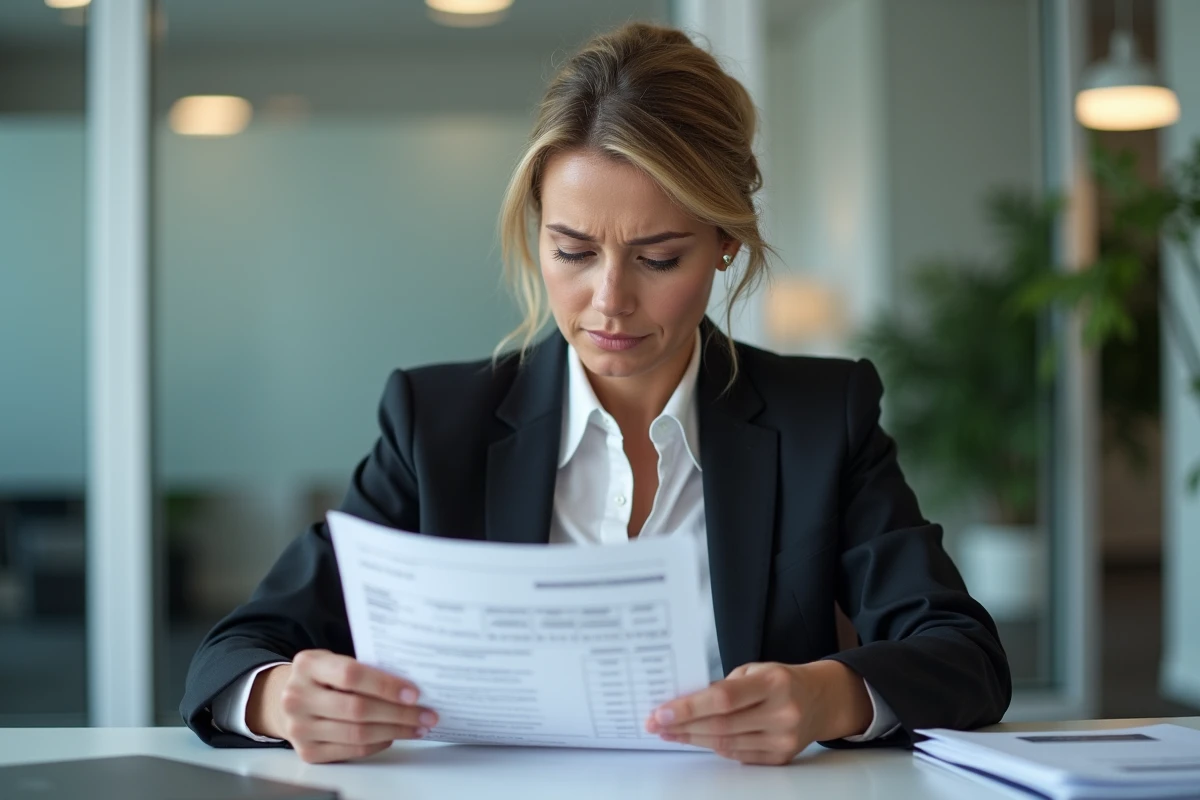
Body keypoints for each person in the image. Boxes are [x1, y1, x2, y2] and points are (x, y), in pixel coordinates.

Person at [181, 21, 1010, 767]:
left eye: (657, 258)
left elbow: (964, 654)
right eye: (573, 251)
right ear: (535, 230)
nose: (609, 301)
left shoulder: (820, 418)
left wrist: (827, 696)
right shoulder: (435, 425)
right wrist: (277, 697)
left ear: (724, 243)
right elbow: (239, 648)